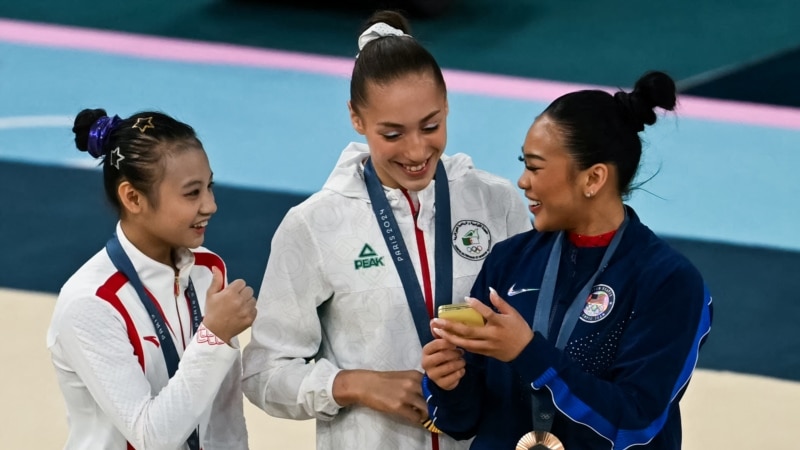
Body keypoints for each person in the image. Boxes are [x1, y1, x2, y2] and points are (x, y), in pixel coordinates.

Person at [241, 9, 532, 450]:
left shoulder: (496, 202)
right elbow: (263, 372)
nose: (417, 150)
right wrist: (354, 384)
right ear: (356, 119)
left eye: (431, 126)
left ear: (448, 104)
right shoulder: (315, 225)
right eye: (392, 134)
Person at [420, 71, 713, 449]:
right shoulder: (508, 261)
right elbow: (462, 422)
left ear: (593, 179)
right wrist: (450, 383)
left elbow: (635, 422)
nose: (522, 182)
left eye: (536, 167)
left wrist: (529, 354)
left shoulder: (668, 282)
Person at [47, 109, 256, 449]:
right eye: (192, 193)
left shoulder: (207, 270)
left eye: (209, 187)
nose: (211, 205)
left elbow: (222, 417)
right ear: (132, 198)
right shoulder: (91, 302)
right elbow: (150, 437)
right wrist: (213, 337)